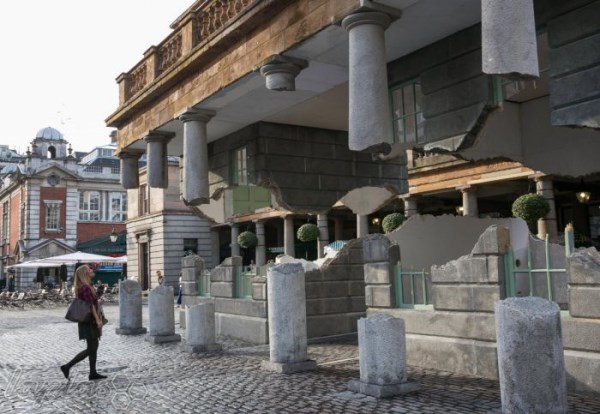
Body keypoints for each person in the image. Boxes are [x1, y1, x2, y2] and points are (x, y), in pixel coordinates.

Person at [60, 265, 107, 381]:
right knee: (91, 348)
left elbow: (92, 301)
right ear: (85, 273)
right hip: (89, 321)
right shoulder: (85, 287)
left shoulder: (87, 286)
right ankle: (67, 367)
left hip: (89, 320)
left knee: (93, 347)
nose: (92, 270)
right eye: (89, 269)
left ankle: (92, 373)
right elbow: (90, 305)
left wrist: (99, 295)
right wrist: (97, 320)